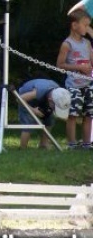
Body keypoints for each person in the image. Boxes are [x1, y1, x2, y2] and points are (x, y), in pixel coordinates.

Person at [55, 9, 93, 149]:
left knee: (89, 114)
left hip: (88, 84)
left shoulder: (87, 43)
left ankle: (87, 143)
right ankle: (72, 143)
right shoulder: (67, 44)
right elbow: (60, 65)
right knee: (73, 114)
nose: (86, 28)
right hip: (73, 85)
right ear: (74, 25)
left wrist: (89, 66)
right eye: (85, 25)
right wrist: (78, 67)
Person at [16, 77, 71, 149]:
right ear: (50, 100)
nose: (54, 109)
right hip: (25, 99)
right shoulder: (38, 91)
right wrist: (33, 110)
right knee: (28, 124)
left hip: (42, 99)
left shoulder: (59, 93)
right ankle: (23, 147)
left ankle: (43, 144)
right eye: (55, 107)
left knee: (49, 120)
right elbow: (19, 99)